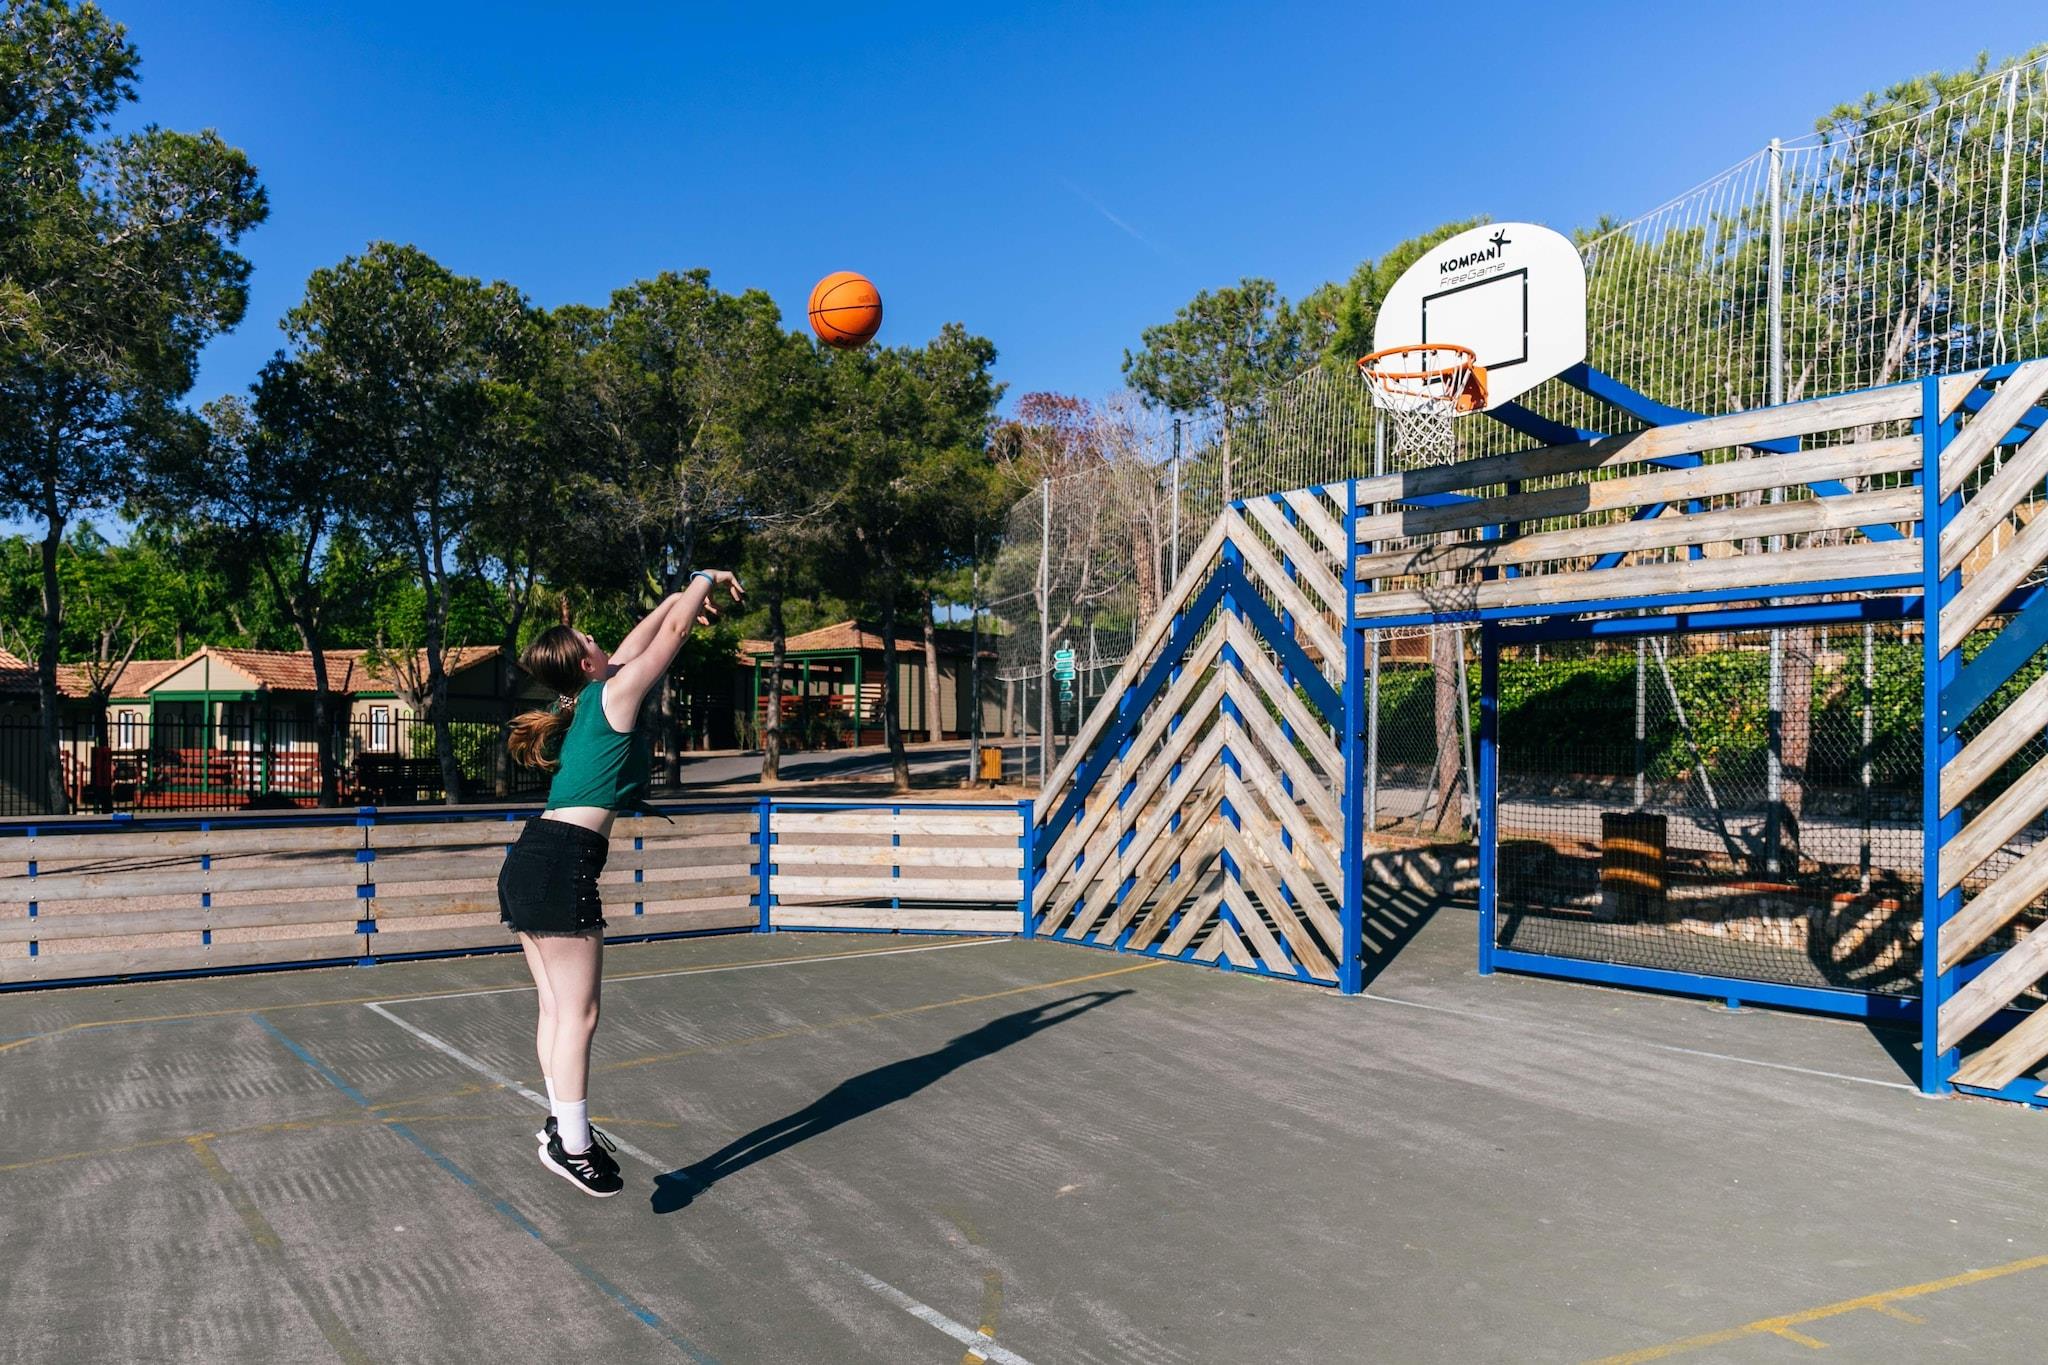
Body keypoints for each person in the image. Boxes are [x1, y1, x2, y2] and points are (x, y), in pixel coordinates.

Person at [502, 569, 743, 1196]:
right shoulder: (611, 694)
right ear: (586, 663)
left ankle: (562, 1126)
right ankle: (574, 1147)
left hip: (532, 856)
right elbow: (673, 635)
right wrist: (704, 579)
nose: (599, 639)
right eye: (590, 639)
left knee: (557, 1010)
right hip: (562, 862)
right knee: (580, 1015)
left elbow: (648, 637)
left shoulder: (591, 694)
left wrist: (675, 598)